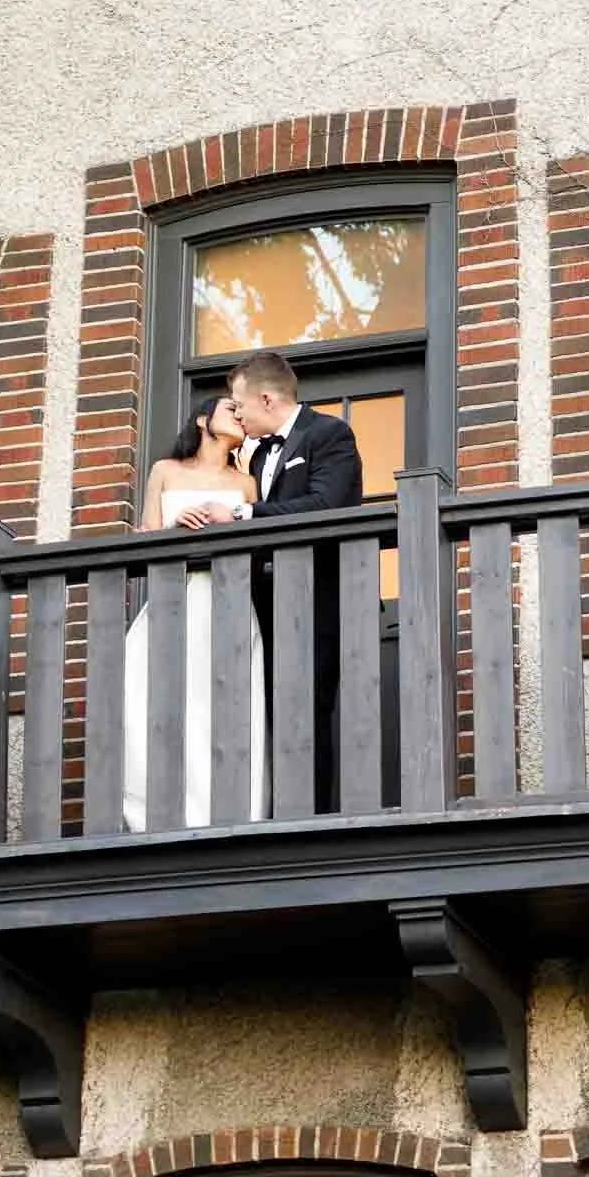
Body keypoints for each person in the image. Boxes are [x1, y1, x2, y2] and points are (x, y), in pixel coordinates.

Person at [174, 350, 364, 807]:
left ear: (265, 399)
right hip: (263, 606)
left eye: (239, 405)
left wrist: (242, 514)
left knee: (308, 711)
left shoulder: (329, 434)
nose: (237, 414)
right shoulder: (255, 458)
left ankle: (310, 819)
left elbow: (325, 506)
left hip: (317, 600)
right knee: (267, 713)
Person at [121, 397, 268, 831]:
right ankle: (158, 816)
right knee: (155, 704)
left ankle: (233, 814)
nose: (239, 416)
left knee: (224, 706)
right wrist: (172, 530)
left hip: (227, 601)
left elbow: (257, 548)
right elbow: (143, 540)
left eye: (242, 412)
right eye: (230, 409)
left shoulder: (246, 484)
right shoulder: (165, 471)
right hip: (172, 600)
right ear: (203, 420)